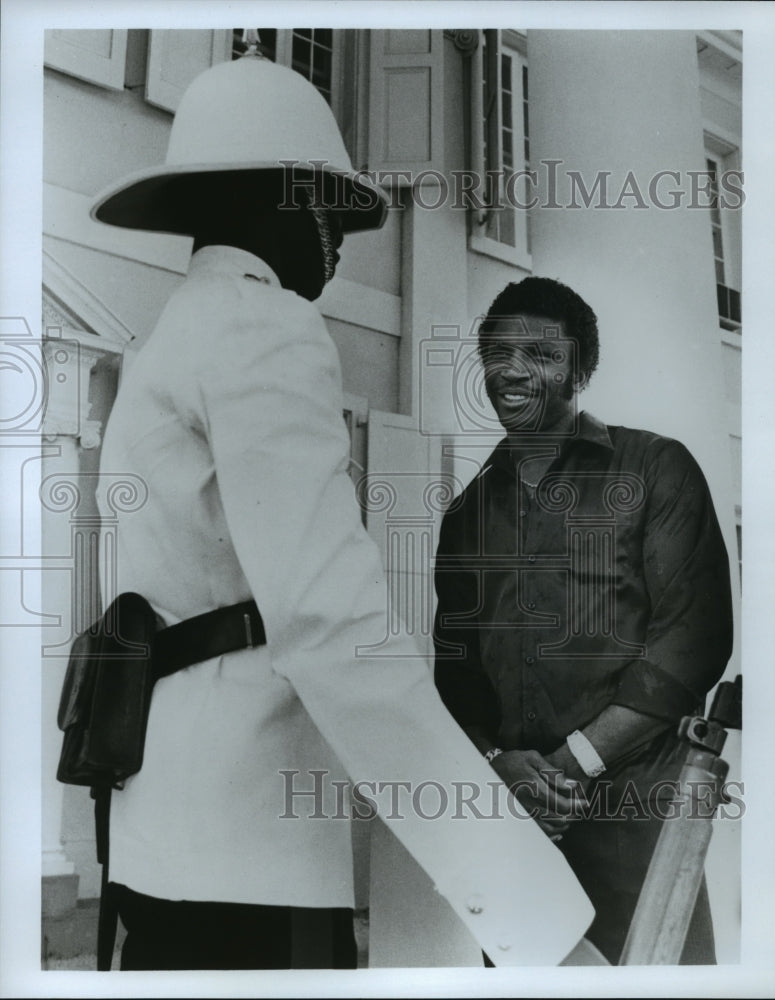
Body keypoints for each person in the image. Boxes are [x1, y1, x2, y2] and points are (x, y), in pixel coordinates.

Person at [89, 55, 598, 970]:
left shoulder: (160, 341)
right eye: (330, 208)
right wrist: (517, 897)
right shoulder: (265, 326)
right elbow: (331, 623)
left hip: (162, 826)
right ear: (284, 203)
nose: (341, 242)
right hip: (255, 847)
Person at [433, 276, 733, 965]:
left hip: (637, 815)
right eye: (498, 353)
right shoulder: (466, 517)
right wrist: (496, 764)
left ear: (582, 370)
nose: (512, 370)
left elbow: (692, 644)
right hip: (519, 825)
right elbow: (457, 673)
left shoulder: (657, 469)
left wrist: (571, 767)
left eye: (539, 353)